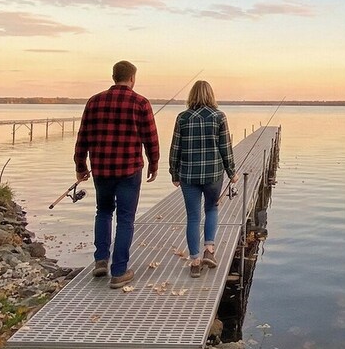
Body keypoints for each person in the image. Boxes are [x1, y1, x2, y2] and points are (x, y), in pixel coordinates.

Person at [74, 60, 159, 288]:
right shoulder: (140, 103)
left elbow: (83, 137)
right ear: (132, 78)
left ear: (114, 76)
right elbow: (151, 138)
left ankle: (101, 260)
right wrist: (154, 163)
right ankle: (119, 271)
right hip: (129, 170)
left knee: (102, 212)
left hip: (101, 169)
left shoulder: (94, 102)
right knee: (125, 218)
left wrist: (80, 165)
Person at [169, 80, 237, 278]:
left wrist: (174, 172)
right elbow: (226, 147)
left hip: (188, 174)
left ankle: (195, 261)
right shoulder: (218, 117)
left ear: (191, 95)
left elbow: (175, 148)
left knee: (193, 216)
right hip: (213, 174)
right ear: (211, 95)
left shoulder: (182, 118)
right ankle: (209, 249)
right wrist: (231, 172)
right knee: (211, 208)